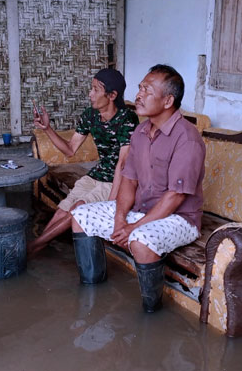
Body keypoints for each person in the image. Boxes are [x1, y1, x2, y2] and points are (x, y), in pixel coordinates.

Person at [70, 64, 205, 313]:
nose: (139, 95)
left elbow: (176, 196)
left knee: (140, 241)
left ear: (167, 101)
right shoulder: (141, 132)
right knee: (81, 215)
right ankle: (92, 294)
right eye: (140, 87)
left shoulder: (186, 137)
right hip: (141, 212)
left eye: (147, 89)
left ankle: (151, 310)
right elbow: (129, 180)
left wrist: (132, 228)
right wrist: (120, 219)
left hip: (179, 219)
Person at [28, 68, 139, 256]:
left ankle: (32, 248)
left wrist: (112, 201)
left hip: (116, 181)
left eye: (96, 89)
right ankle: (38, 247)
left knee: (77, 208)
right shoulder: (90, 115)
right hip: (97, 174)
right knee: (63, 208)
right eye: (91, 88)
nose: (90, 94)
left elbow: (123, 163)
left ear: (112, 95)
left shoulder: (127, 119)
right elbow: (70, 150)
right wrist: (47, 128)